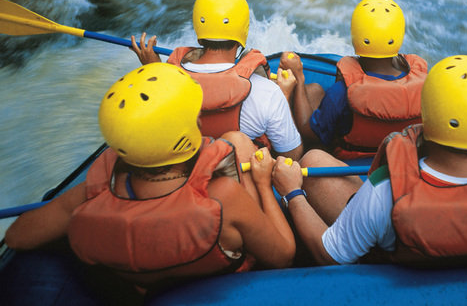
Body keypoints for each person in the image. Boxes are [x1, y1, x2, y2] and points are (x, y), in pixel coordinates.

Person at [5, 63, 295, 292]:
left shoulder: (89, 196)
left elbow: (17, 237)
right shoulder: (223, 197)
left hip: (144, 285)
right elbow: (282, 257)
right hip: (229, 281)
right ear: (194, 125)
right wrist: (262, 184)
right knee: (238, 141)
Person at [271, 55, 467, 266]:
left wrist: (292, 192)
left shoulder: (384, 191)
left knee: (313, 159)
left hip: (393, 267)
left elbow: (329, 254)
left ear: (425, 111)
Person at [130, 0, 303, 161]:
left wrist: (153, 68)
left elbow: (158, 108)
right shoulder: (267, 93)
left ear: (198, 26)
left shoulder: (166, 83)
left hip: (184, 173)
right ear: (244, 29)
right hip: (239, 181)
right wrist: (285, 95)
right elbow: (291, 155)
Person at [279, 0, 428, 159]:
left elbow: (307, 131)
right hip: (399, 157)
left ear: (355, 36)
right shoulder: (425, 87)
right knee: (315, 91)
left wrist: (299, 79)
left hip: (350, 162)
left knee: (311, 93)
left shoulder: (342, 92)